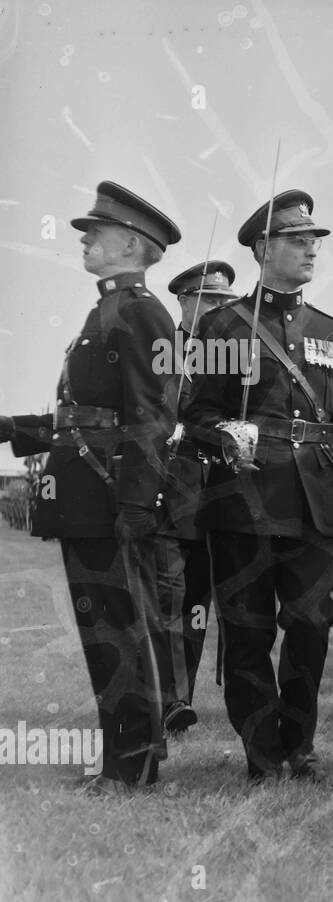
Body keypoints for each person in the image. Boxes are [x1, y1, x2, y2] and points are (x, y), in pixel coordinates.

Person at [0, 181, 181, 792]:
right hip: (88, 494)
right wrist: (14, 429)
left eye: (94, 231)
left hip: (110, 498)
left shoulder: (144, 313)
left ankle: (131, 766)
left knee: (117, 629)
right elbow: (86, 415)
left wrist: (137, 502)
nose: (84, 238)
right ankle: (130, 756)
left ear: (131, 242)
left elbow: (155, 416)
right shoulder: (105, 311)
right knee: (104, 629)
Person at [186, 189, 333, 782]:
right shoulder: (221, 324)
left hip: (315, 501)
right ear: (264, 248)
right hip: (242, 499)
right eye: (298, 240)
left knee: (312, 624)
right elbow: (193, 413)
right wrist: (224, 434)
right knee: (247, 631)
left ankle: (298, 741)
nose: (311, 249)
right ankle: (262, 752)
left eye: (314, 240)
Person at [155, 259, 239, 734]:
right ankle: (172, 698)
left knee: (198, 603)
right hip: (168, 493)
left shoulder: (232, 357)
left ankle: (179, 695)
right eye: (209, 301)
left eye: (225, 303)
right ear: (185, 302)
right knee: (170, 595)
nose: (218, 311)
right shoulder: (158, 350)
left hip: (216, 498)